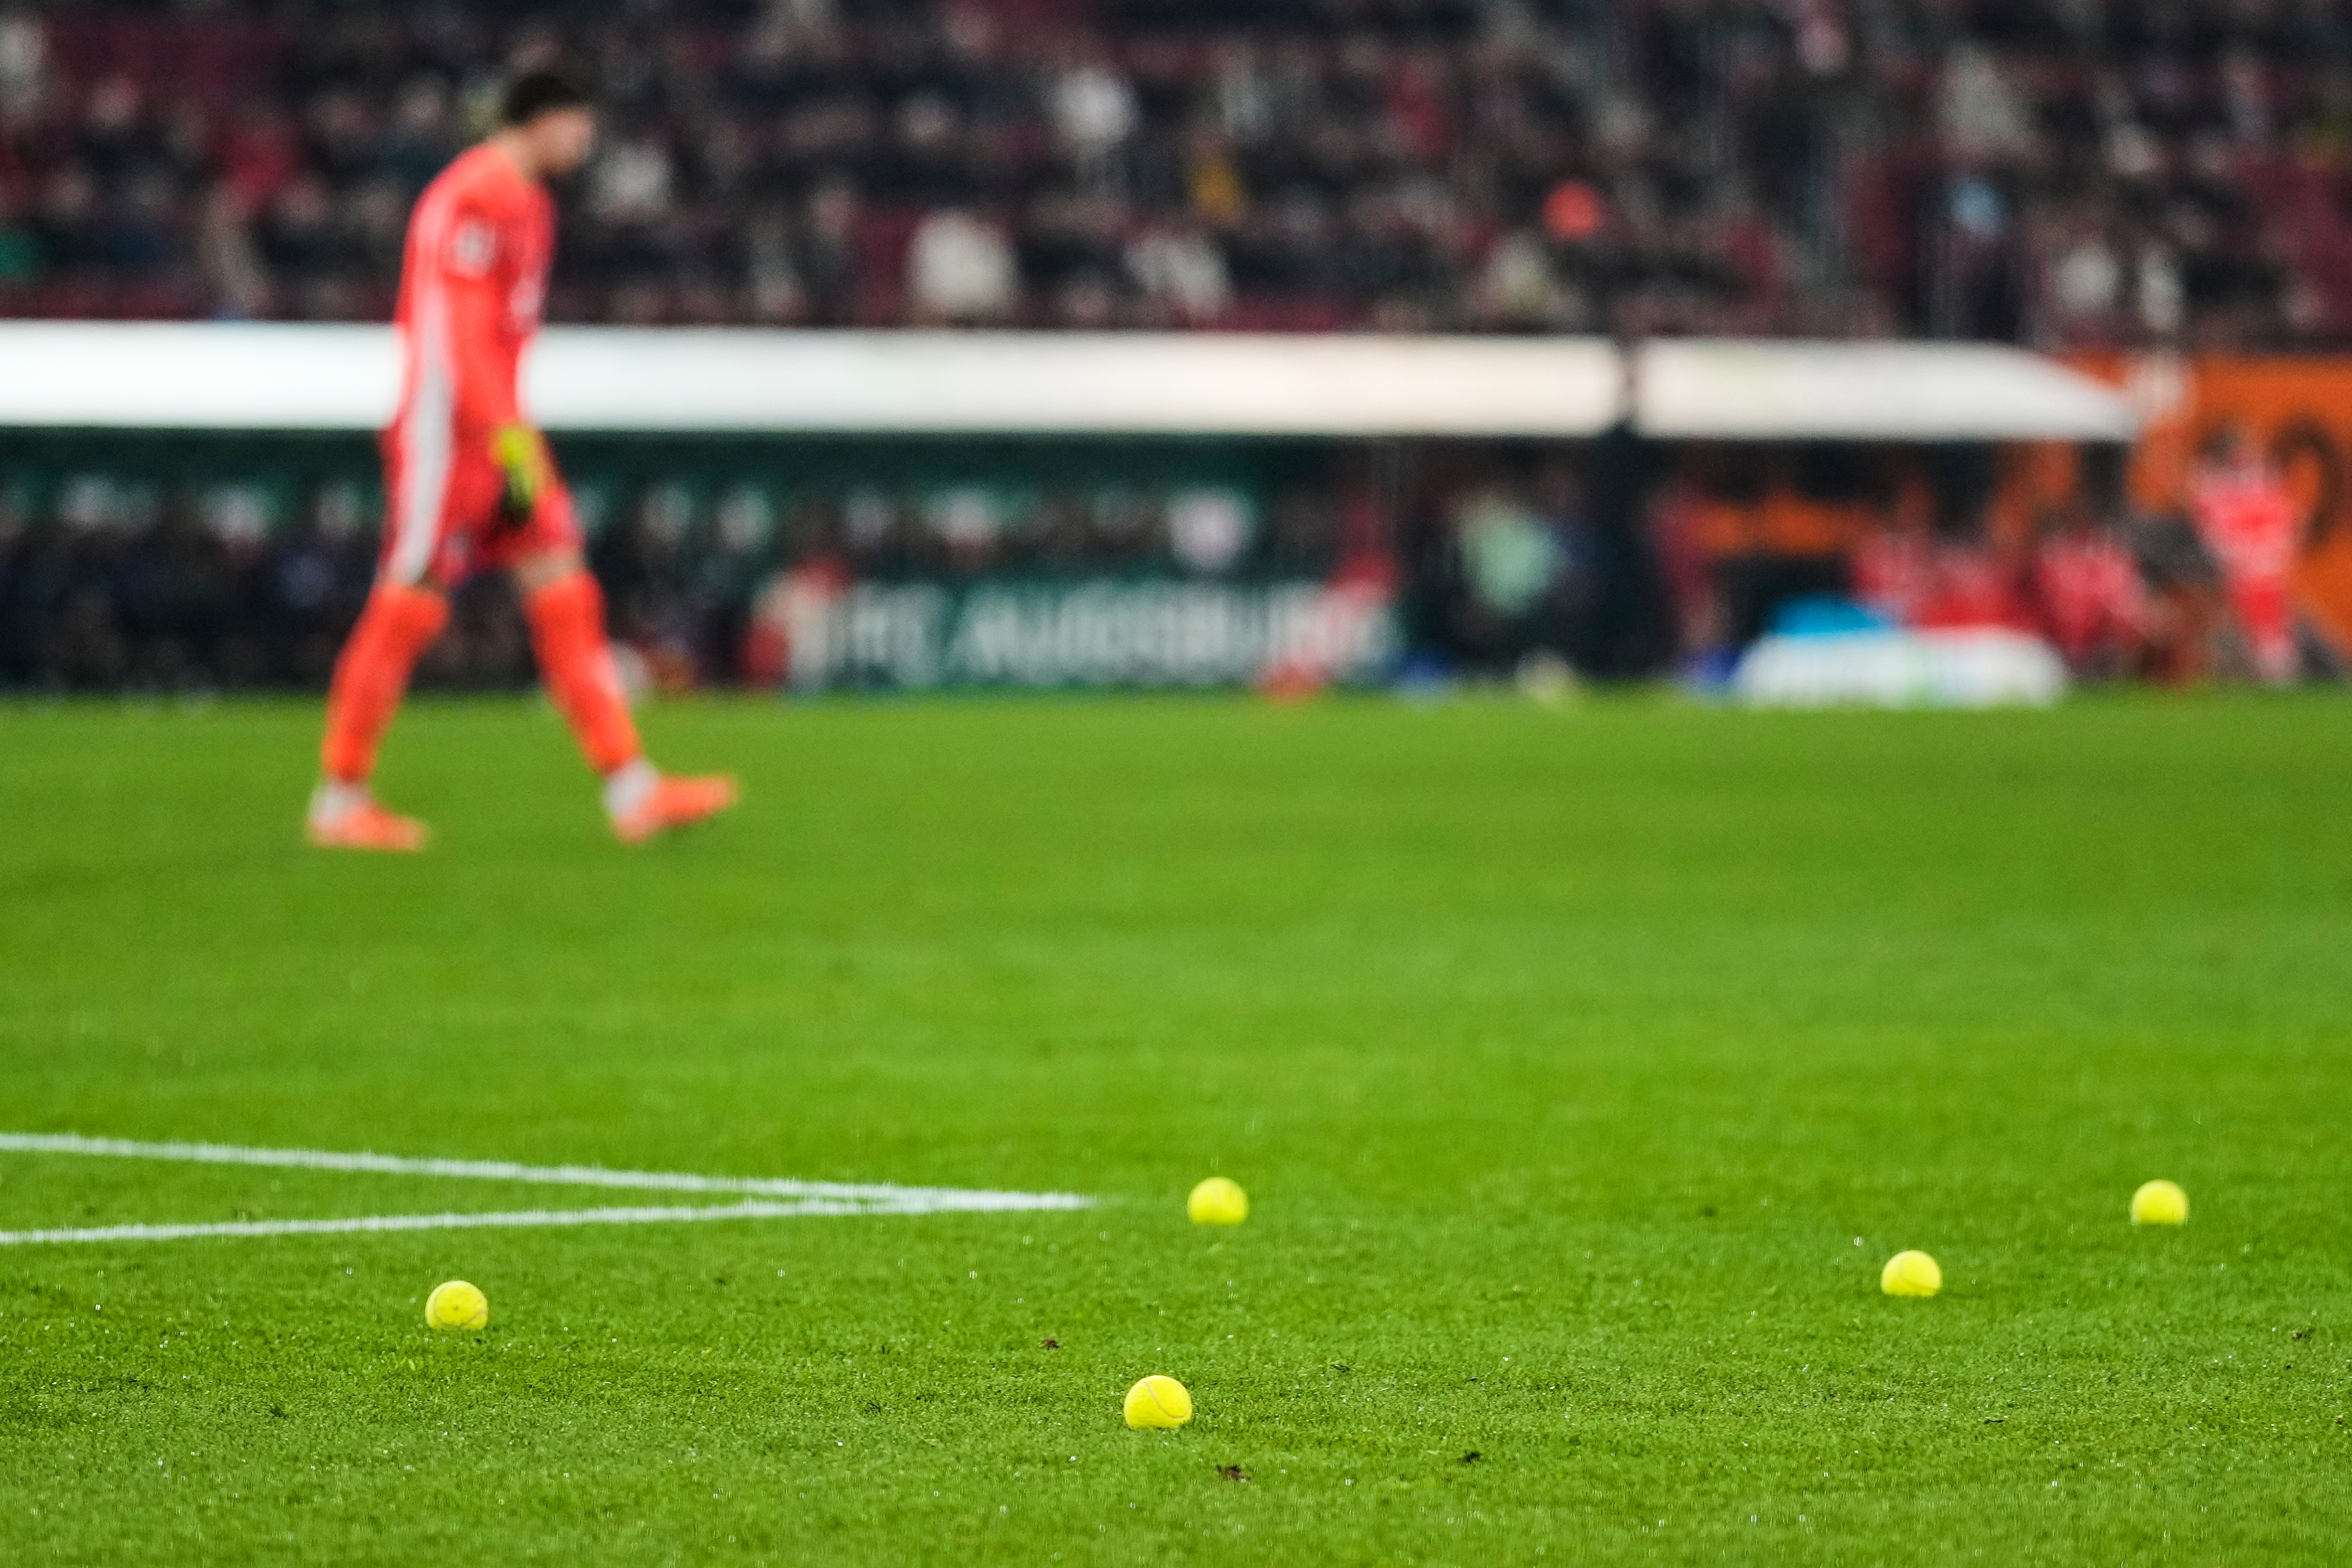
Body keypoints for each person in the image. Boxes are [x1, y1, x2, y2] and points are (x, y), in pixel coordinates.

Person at [307, 71, 736, 850]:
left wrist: (514, 436)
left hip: (503, 429)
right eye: (577, 125)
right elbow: (461, 336)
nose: (585, 142)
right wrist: (505, 437)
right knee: (410, 599)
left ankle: (631, 788)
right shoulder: (475, 197)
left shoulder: (529, 202)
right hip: (450, 432)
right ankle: (340, 797)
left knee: (566, 588)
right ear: (538, 120)